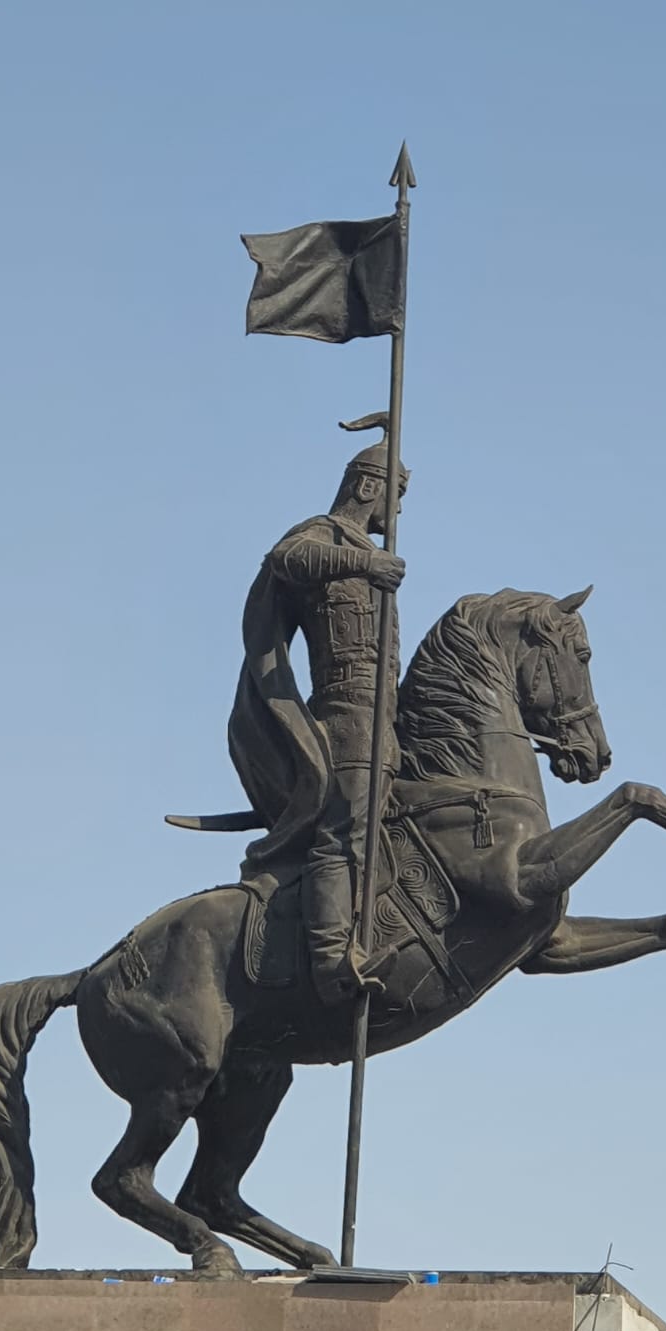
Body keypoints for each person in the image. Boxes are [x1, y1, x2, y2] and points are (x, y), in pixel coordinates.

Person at [228, 419, 407, 1004]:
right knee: (342, 834)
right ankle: (332, 960)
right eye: (395, 494)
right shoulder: (323, 535)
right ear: (367, 486)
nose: (396, 511)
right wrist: (365, 565)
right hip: (346, 717)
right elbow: (286, 557)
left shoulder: (364, 552)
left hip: (385, 720)